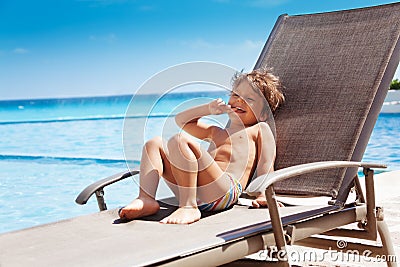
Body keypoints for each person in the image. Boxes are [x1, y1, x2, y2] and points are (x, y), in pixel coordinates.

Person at [119, 68, 285, 224]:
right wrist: (208, 109)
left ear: (263, 114)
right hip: (194, 187)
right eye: (235, 94)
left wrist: (264, 194)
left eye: (249, 99)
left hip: (224, 191)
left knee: (179, 140)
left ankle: (189, 207)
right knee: (154, 143)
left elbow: (266, 163)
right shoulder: (215, 132)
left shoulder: (259, 129)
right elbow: (181, 121)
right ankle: (146, 198)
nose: (239, 100)